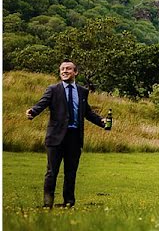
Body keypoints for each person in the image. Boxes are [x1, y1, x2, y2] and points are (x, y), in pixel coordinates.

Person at [26, 60, 110, 208]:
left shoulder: (82, 91)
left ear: (75, 72)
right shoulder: (53, 89)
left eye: (68, 69)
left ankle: (68, 203)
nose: (64, 71)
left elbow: (87, 112)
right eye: (62, 69)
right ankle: (47, 204)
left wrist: (102, 122)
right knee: (52, 172)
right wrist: (33, 112)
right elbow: (42, 103)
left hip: (74, 137)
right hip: (55, 137)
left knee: (71, 173)